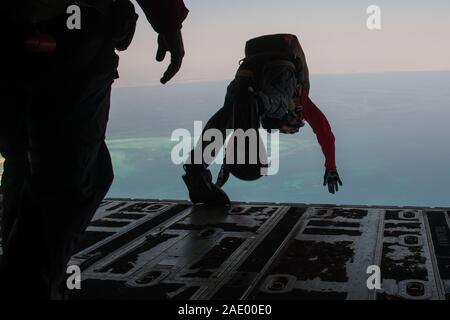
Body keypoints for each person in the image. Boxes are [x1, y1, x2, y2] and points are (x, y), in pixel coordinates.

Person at [0, 0, 188, 299]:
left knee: (25, 164)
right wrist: (169, 25)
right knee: (73, 180)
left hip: (15, 33)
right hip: (70, 31)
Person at [182, 34, 343, 205]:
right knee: (273, 105)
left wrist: (227, 165)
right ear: (294, 120)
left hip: (248, 67)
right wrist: (331, 167)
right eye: (289, 129)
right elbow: (325, 132)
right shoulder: (299, 101)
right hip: (279, 67)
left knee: (230, 113)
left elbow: (228, 126)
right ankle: (256, 101)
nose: (283, 130)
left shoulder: (258, 113)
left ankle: (196, 167)